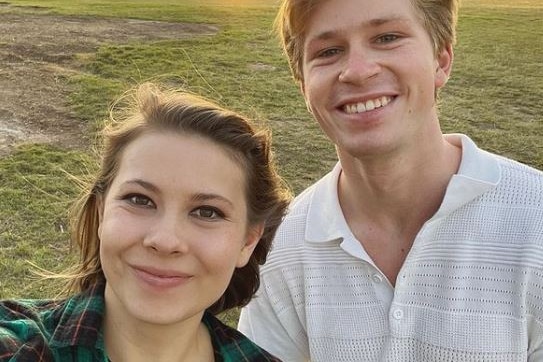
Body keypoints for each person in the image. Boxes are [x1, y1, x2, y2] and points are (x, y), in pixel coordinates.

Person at [238, 0, 543, 360]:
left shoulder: (534, 218)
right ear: (303, 85)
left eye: (387, 37)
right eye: (329, 51)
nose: (358, 70)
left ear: (441, 60)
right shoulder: (283, 247)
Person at [0, 82, 291, 361]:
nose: (164, 241)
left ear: (248, 240)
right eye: (140, 200)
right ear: (102, 212)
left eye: (207, 212)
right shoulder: (18, 348)